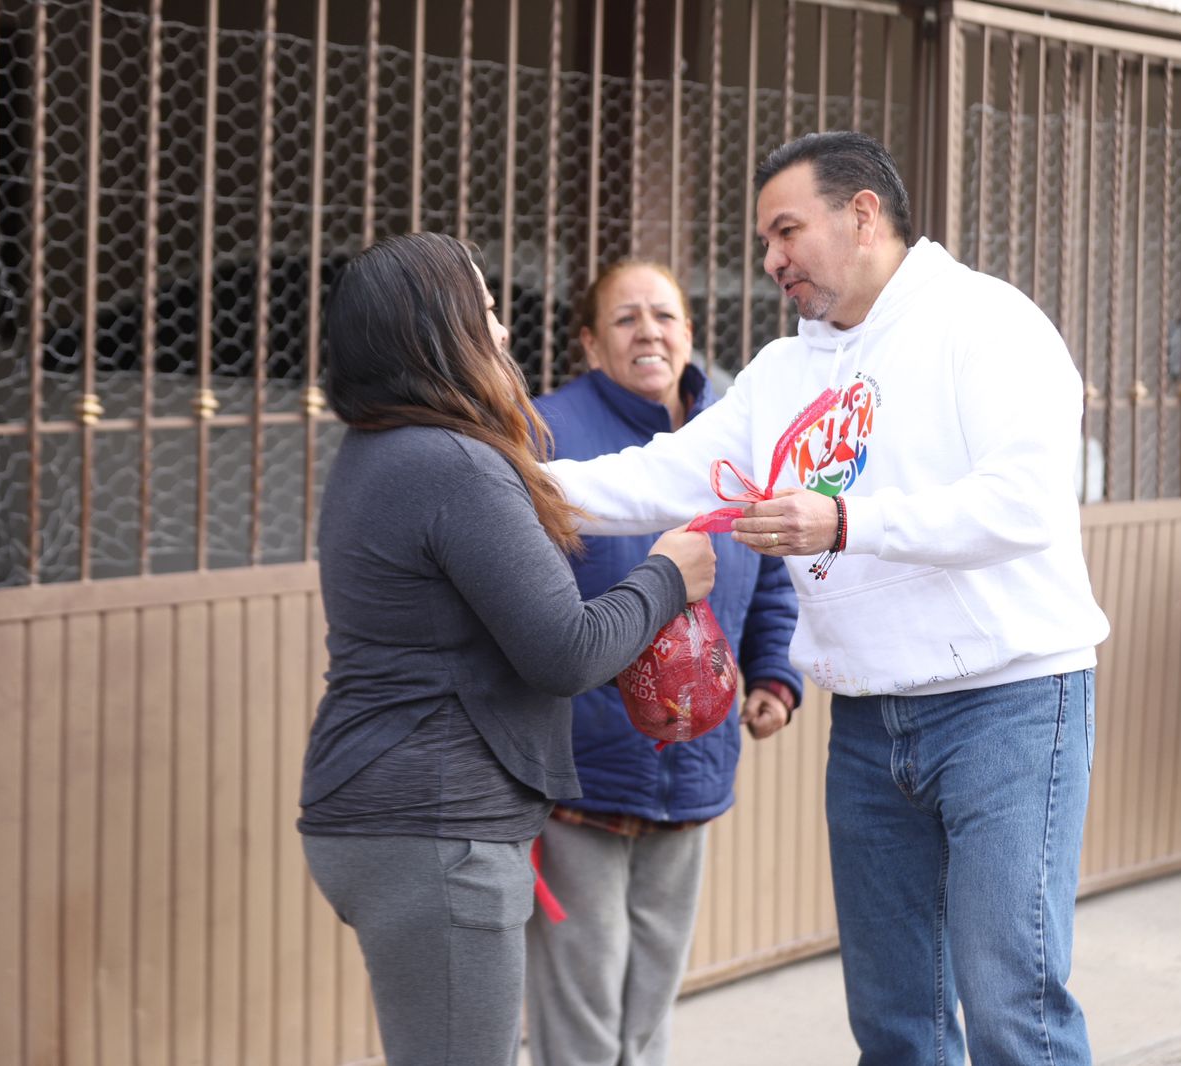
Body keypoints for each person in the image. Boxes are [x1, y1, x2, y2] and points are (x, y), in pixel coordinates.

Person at [545, 131, 1110, 1065]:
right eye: (765, 241)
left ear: (862, 215)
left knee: (1015, 1010)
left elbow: (1025, 506)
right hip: (869, 722)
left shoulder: (986, 322)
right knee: (894, 1022)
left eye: (784, 231)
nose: (769, 260)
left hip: (1008, 707)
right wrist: (510, 485)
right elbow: (661, 477)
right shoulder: (782, 373)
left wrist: (845, 523)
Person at [295, 232, 717, 1066]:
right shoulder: (452, 464)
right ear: (437, 330)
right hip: (437, 829)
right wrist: (667, 575)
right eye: (485, 312)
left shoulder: (381, 451)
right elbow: (564, 650)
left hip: (387, 815)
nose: (502, 333)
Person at [523, 260, 802, 1066]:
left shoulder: (731, 436)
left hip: (694, 765)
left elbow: (773, 572)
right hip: (582, 774)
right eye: (625, 318)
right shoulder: (546, 435)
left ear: (689, 332)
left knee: (650, 1005)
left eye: (665, 316)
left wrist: (775, 677)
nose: (649, 332)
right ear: (589, 341)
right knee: (581, 1003)